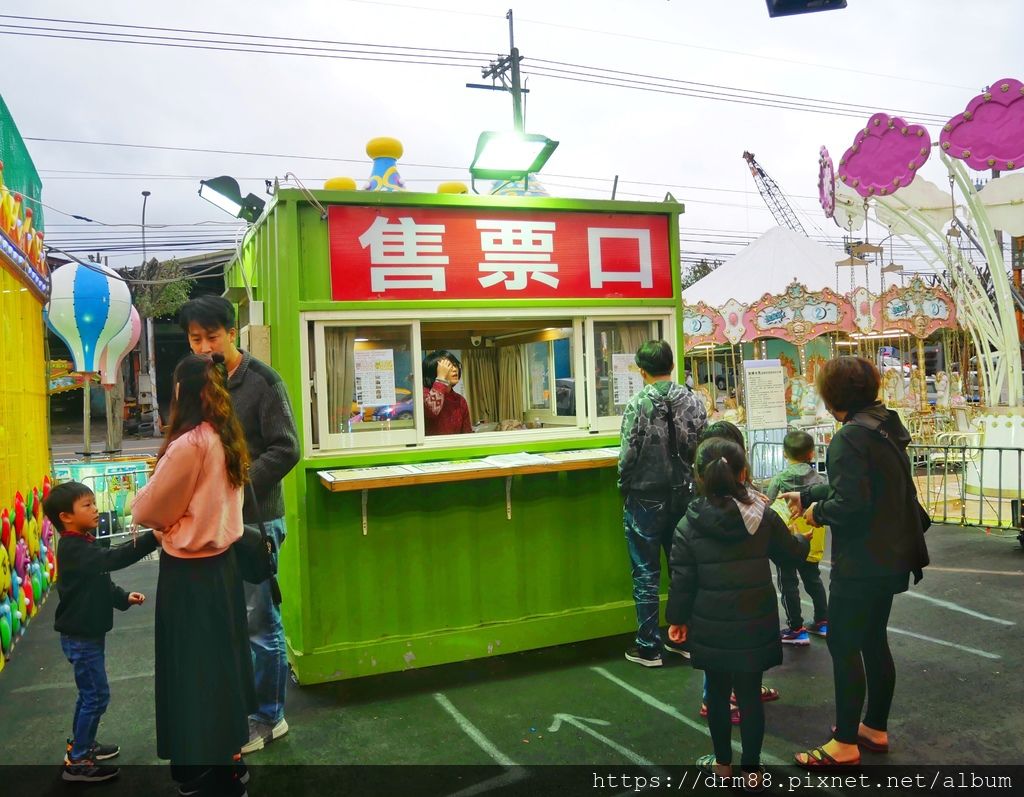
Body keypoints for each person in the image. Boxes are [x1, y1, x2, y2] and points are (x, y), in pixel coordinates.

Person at [781, 356, 929, 768]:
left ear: (833, 395)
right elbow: (864, 484)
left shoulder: (848, 437)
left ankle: (844, 743)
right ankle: (873, 727)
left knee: (845, 645)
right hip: (893, 554)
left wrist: (817, 514)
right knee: (873, 640)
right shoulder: (884, 424)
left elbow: (852, 502)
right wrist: (809, 495)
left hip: (862, 560)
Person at [178, 296, 300, 754]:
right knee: (233, 622)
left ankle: (271, 718)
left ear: (232, 333)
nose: (205, 346)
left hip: (257, 522)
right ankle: (247, 707)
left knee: (260, 623)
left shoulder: (264, 382)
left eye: (212, 336)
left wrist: (235, 484)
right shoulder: (199, 383)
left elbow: (287, 448)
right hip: (215, 522)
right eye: (195, 339)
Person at [131, 354, 256, 796]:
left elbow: (146, 509)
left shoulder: (189, 444)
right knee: (220, 669)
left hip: (188, 575)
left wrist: (167, 518)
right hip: (222, 568)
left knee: (190, 673)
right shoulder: (227, 436)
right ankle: (228, 763)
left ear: (181, 390)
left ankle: (201, 771)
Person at [668, 438, 810, 791]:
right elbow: (791, 554)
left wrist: (677, 619)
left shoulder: (689, 523)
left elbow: (682, 580)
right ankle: (752, 770)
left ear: (699, 476)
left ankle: (722, 765)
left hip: (710, 624)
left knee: (717, 694)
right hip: (755, 621)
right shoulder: (763, 515)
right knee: (748, 695)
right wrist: (803, 539)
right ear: (743, 473)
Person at [45, 481, 157, 783]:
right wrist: (152, 539)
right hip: (81, 637)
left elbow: (101, 581)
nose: (95, 509)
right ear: (66, 516)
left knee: (89, 694)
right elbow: (113, 560)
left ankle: (83, 743)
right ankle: (78, 761)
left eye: (94, 503)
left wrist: (122, 598)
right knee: (96, 696)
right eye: (87, 505)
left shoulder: (84, 540)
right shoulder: (74, 547)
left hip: (88, 633)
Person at [618, 340, 707, 667]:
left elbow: (628, 454)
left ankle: (648, 646)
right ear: (671, 365)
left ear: (642, 371)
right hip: (686, 494)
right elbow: (704, 445)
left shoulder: (638, 403)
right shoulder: (694, 400)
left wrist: (623, 485)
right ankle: (685, 638)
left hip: (645, 495)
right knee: (683, 569)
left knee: (645, 571)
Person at [765, 430, 829, 644]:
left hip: (788, 535)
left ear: (784, 454)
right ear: (811, 454)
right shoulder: (821, 479)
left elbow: (768, 503)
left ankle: (796, 628)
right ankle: (822, 621)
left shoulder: (780, 479)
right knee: (813, 578)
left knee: (788, 581)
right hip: (813, 533)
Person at [422, 350, 472, 435]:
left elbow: (466, 432)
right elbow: (432, 411)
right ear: (434, 370)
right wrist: (441, 377)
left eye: (455, 365)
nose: (455, 369)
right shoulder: (424, 394)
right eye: (448, 366)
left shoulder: (459, 400)